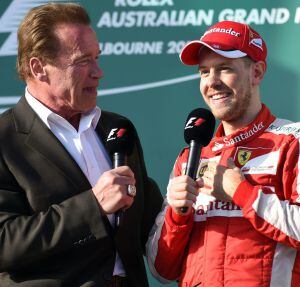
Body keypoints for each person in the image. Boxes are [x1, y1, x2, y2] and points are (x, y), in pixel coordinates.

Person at [0, 3, 163, 287]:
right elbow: (4, 242)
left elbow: (149, 224)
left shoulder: (118, 129)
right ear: (39, 68)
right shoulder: (5, 139)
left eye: (97, 58)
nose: (98, 72)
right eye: (82, 60)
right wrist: (93, 207)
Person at [147, 20, 300, 287]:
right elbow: (161, 269)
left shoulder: (291, 141)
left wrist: (242, 193)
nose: (212, 82)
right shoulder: (191, 157)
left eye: (224, 69)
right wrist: (177, 215)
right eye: (204, 72)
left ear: (257, 72)